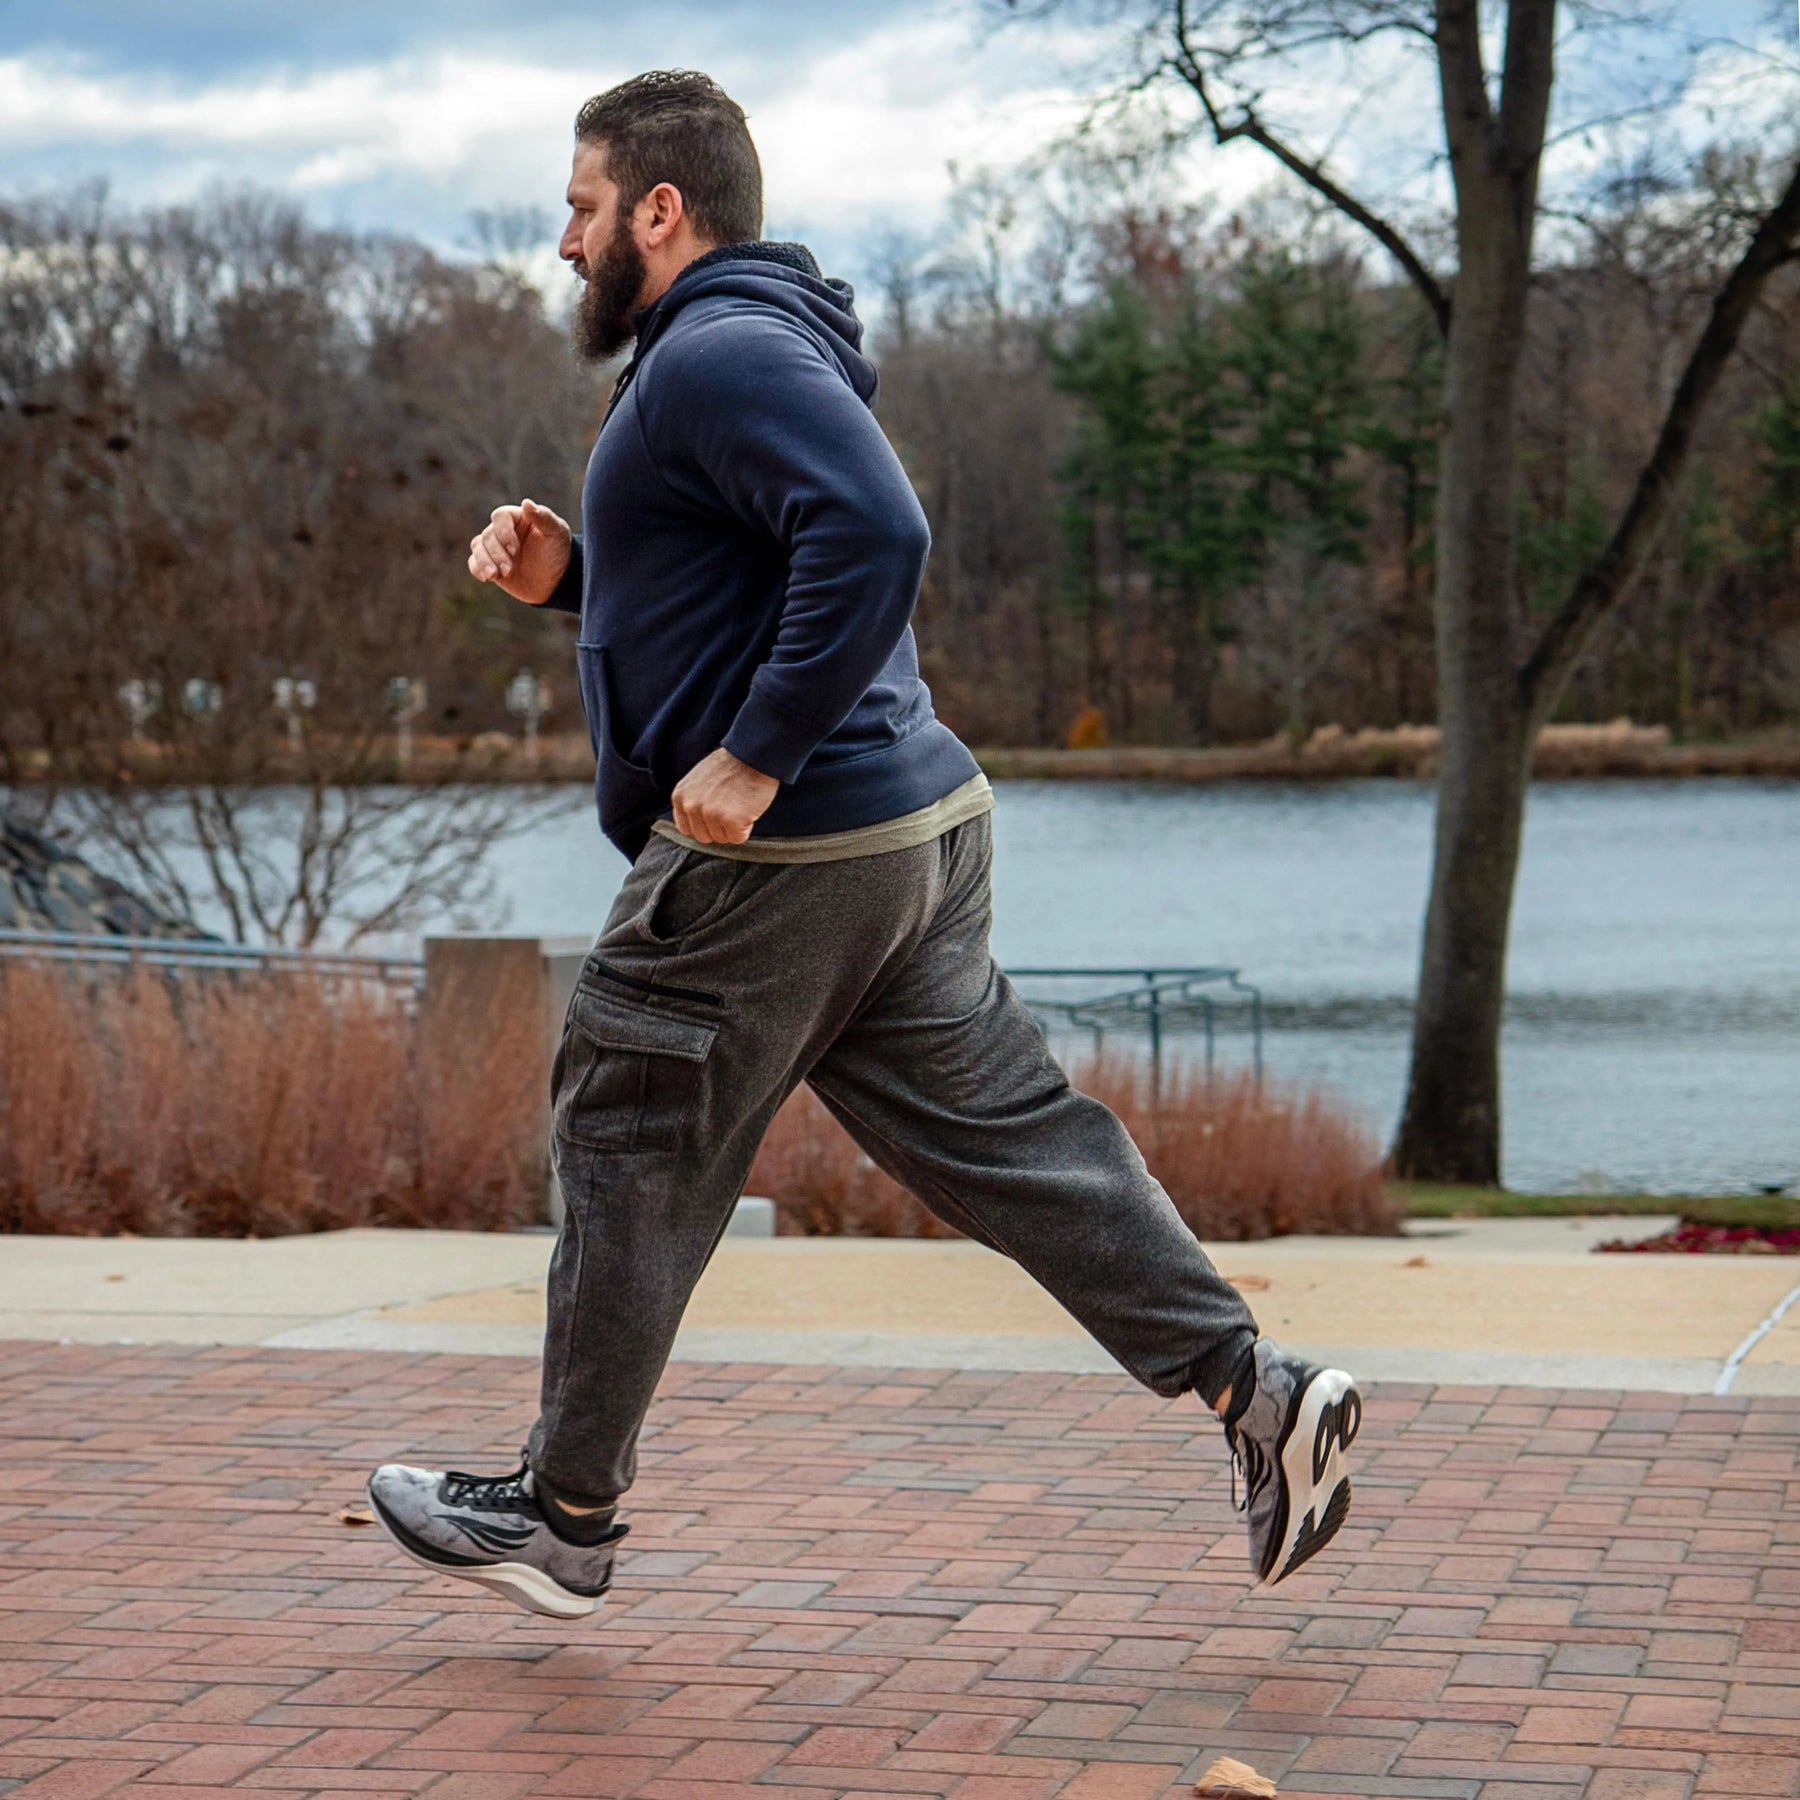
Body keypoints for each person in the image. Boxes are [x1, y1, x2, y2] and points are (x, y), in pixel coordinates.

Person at [366, 70, 1361, 1621]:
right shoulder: (747, 343)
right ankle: (1257, 1389)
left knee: (628, 1131)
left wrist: (758, 753)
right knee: (1013, 1143)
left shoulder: (720, 350)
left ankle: (564, 1516)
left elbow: (878, 531)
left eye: (580, 208)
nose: (563, 243)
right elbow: (763, 567)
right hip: (910, 829)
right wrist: (582, 578)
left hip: (788, 858)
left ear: (660, 209)